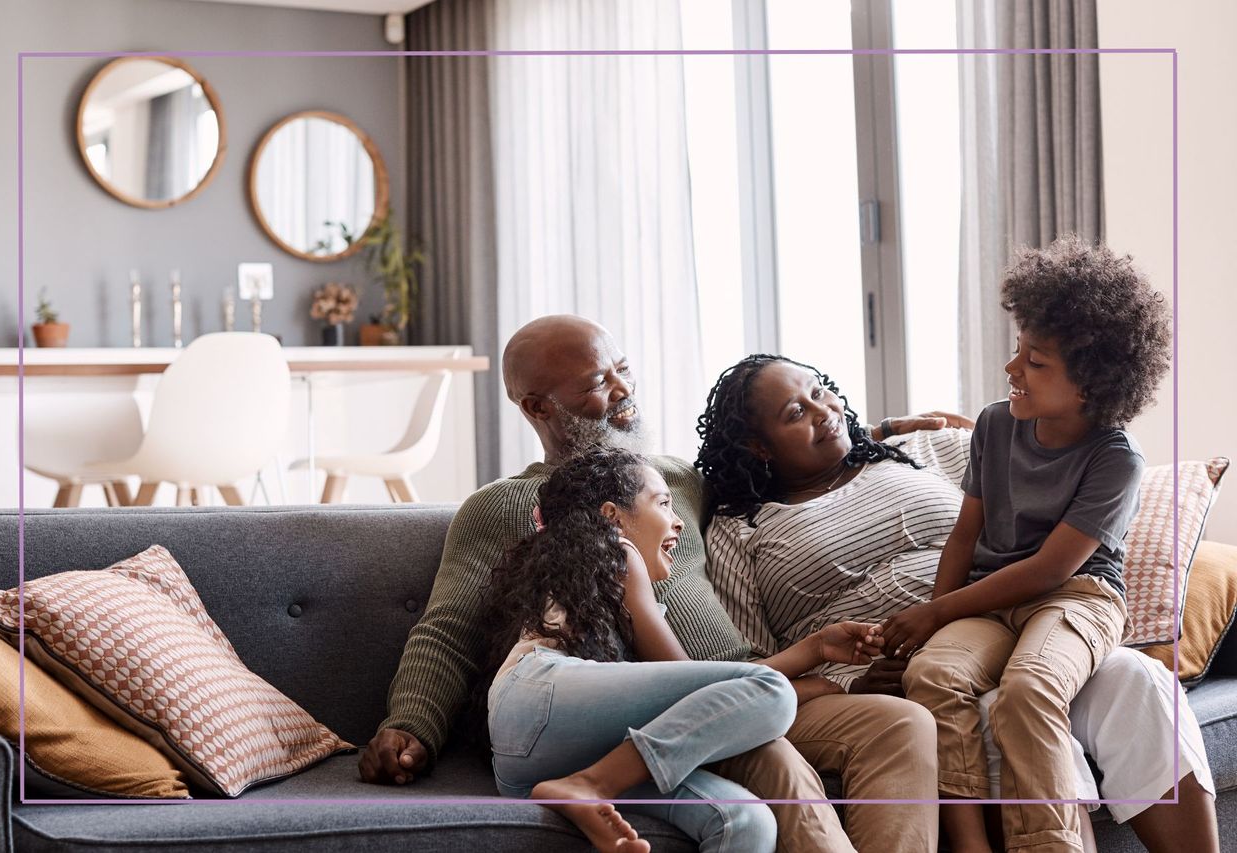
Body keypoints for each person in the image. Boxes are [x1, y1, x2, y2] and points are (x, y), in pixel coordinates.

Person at [361, 314, 947, 853]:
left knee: (900, 722)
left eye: (624, 370)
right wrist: (410, 723)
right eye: (597, 382)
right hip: (641, 712)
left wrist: (882, 431)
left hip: (742, 683)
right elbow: (446, 632)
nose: (623, 391)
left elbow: (757, 451)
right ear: (538, 407)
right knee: (773, 755)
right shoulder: (500, 507)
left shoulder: (675, 479)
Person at [696, 356, 1216, 849]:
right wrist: (848, 682)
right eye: (796, 413)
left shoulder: (919, 454)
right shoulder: (739, 528)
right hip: (908, 669)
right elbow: (750, 673)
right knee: (1004, 718)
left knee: (1134, 678)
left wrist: (887, 430)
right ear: (757, 446)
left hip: (1019, 619)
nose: (823, 411)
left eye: (820, 391)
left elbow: (1016, 443)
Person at [880, 238, 1173, 853]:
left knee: (1028, 691)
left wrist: (936, 611)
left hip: (1077, 597)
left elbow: (1049, 568)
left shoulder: (1116, 459)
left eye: (1035, 362)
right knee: (933, 675)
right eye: (1018, 350)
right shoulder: (993, 424)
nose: (1013, 369)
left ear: (1092, 386)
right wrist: (937, 624)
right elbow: (966, 536)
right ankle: (971, 844)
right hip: (988, 601)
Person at [482, 447, 886, 852]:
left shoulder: (590, 585)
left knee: (743, 819)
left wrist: (817, 650)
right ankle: (589, 785)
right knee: (772, 691)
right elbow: (697, 681)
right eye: (662, 504)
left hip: (532, 763)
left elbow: (708, 702)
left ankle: (587, 782)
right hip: (538, 694)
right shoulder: (620, 553)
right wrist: (814, 676)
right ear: (612, 516)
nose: (677, 523)